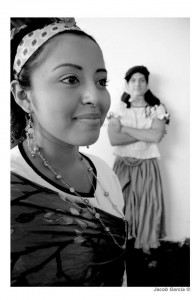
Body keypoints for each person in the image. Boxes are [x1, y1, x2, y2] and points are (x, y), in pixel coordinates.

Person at [10, 18, 127, 287]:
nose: (95, 98)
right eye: (70, 79)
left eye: (101, 80)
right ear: (23, 96)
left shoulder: (105, 173)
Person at [107, 66, 170, 257]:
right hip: (123, 163)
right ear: (127, 83)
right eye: (133, 80)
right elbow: (114, 140)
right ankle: (119, 241)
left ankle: (145, 243)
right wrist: (146, 134)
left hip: (147, 163)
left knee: (148, 203)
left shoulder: (157, 109)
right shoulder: (118, 108)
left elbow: (157, 137)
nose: (137, 84)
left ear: (147, 83)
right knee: (118, 202)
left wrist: (125, 129)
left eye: (142, 80)